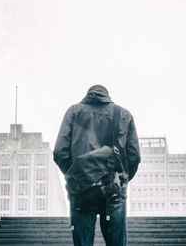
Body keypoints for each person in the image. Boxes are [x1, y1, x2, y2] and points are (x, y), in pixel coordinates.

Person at [53, 85, 141, 246]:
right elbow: (134, 157)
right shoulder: (123, 114)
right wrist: (122, 180)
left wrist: (75, 175)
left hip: (81, 190)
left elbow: (59, 152)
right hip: (114, 190)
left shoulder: (73, 112)